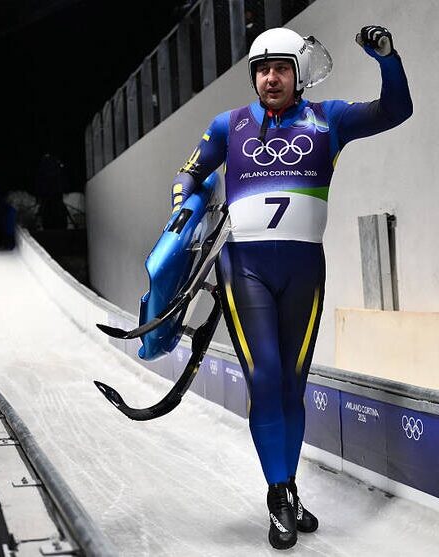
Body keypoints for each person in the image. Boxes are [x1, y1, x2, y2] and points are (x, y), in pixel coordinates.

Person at [168, 26, 411, 549]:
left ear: (298, 73)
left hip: (304, 269)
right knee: (265, 377)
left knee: (292, 387)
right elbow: (190, 172)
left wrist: (387, 60)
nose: (269, 78)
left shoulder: (330, 119)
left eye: (279, 68)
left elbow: (396, 110)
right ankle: (278, 495)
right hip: (244, 268)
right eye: (261, 69)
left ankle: (288, 486)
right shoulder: (226, 125)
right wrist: (182, 200)